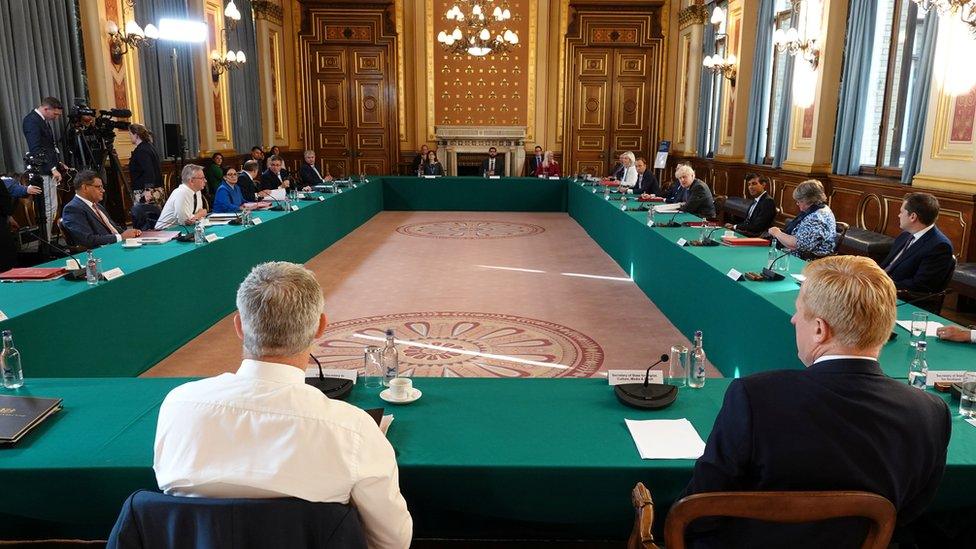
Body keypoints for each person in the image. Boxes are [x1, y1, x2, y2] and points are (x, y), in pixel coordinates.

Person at [680, 255, 951, 547]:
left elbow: (701, 506)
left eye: (799, 312)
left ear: (820, 329)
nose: (793, 319)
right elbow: (909, 511)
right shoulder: (932, 412)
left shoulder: (753, 397)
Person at [153, 261, 413, 548]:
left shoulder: (179, 405)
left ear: (239, 326)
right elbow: (393, 540)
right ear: (320, 327)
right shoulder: (353, 430)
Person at [878, 193, 955, 294]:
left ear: (913, 217)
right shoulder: (905, 235)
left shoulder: (940, 246)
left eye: (901, 212)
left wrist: (881, 285)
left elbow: (920, 285)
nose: (899, 215)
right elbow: (887, 266)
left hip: (903, 298)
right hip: (883, 290)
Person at [61, 169, 141, 248]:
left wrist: (130, 233)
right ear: (85, 188)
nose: (103, 190)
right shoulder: (72, 209)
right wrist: (121, 237)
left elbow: (112, 228)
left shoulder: (97, 205)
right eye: (98, 187)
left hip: (119, 245)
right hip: (103, 253)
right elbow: (87, 239)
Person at [22, 96, 64, 242]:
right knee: (48, 208)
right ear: (46, 109)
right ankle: (44, 243)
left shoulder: (43, 120)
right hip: (43, 171)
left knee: (52, 208)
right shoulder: (32, 121)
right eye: (55, 114)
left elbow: (49, 147)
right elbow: (36, 149)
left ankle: (47, 240)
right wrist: (52, 168)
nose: (56, 118)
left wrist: (58, 164)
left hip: (49, 170)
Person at [768, 179, 835, 258]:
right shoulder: (820, 208)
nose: (797, 204)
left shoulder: (816, 218)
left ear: (809, 200)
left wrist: (777, 233)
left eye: (799, 201)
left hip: (807, 261)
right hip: (797, 254)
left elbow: (797, 245)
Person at [155, 164, 207, 229]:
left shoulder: (197, 191)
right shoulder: (182, 192)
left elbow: (197, 216)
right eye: (202, 178)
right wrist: (200, 214)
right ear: (191, 181)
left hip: (181, 230)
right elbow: (185, 221)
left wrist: (198, 215)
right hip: (164, 232)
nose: (205, 181)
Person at [128, 123, 164, 206]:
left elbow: (149, 170)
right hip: (155, 190)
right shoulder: (149, 146)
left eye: (130, 134)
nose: (130, 137)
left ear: (136, 135)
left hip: (146, 192)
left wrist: (148, 190)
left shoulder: (142, 150)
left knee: (146, 217)